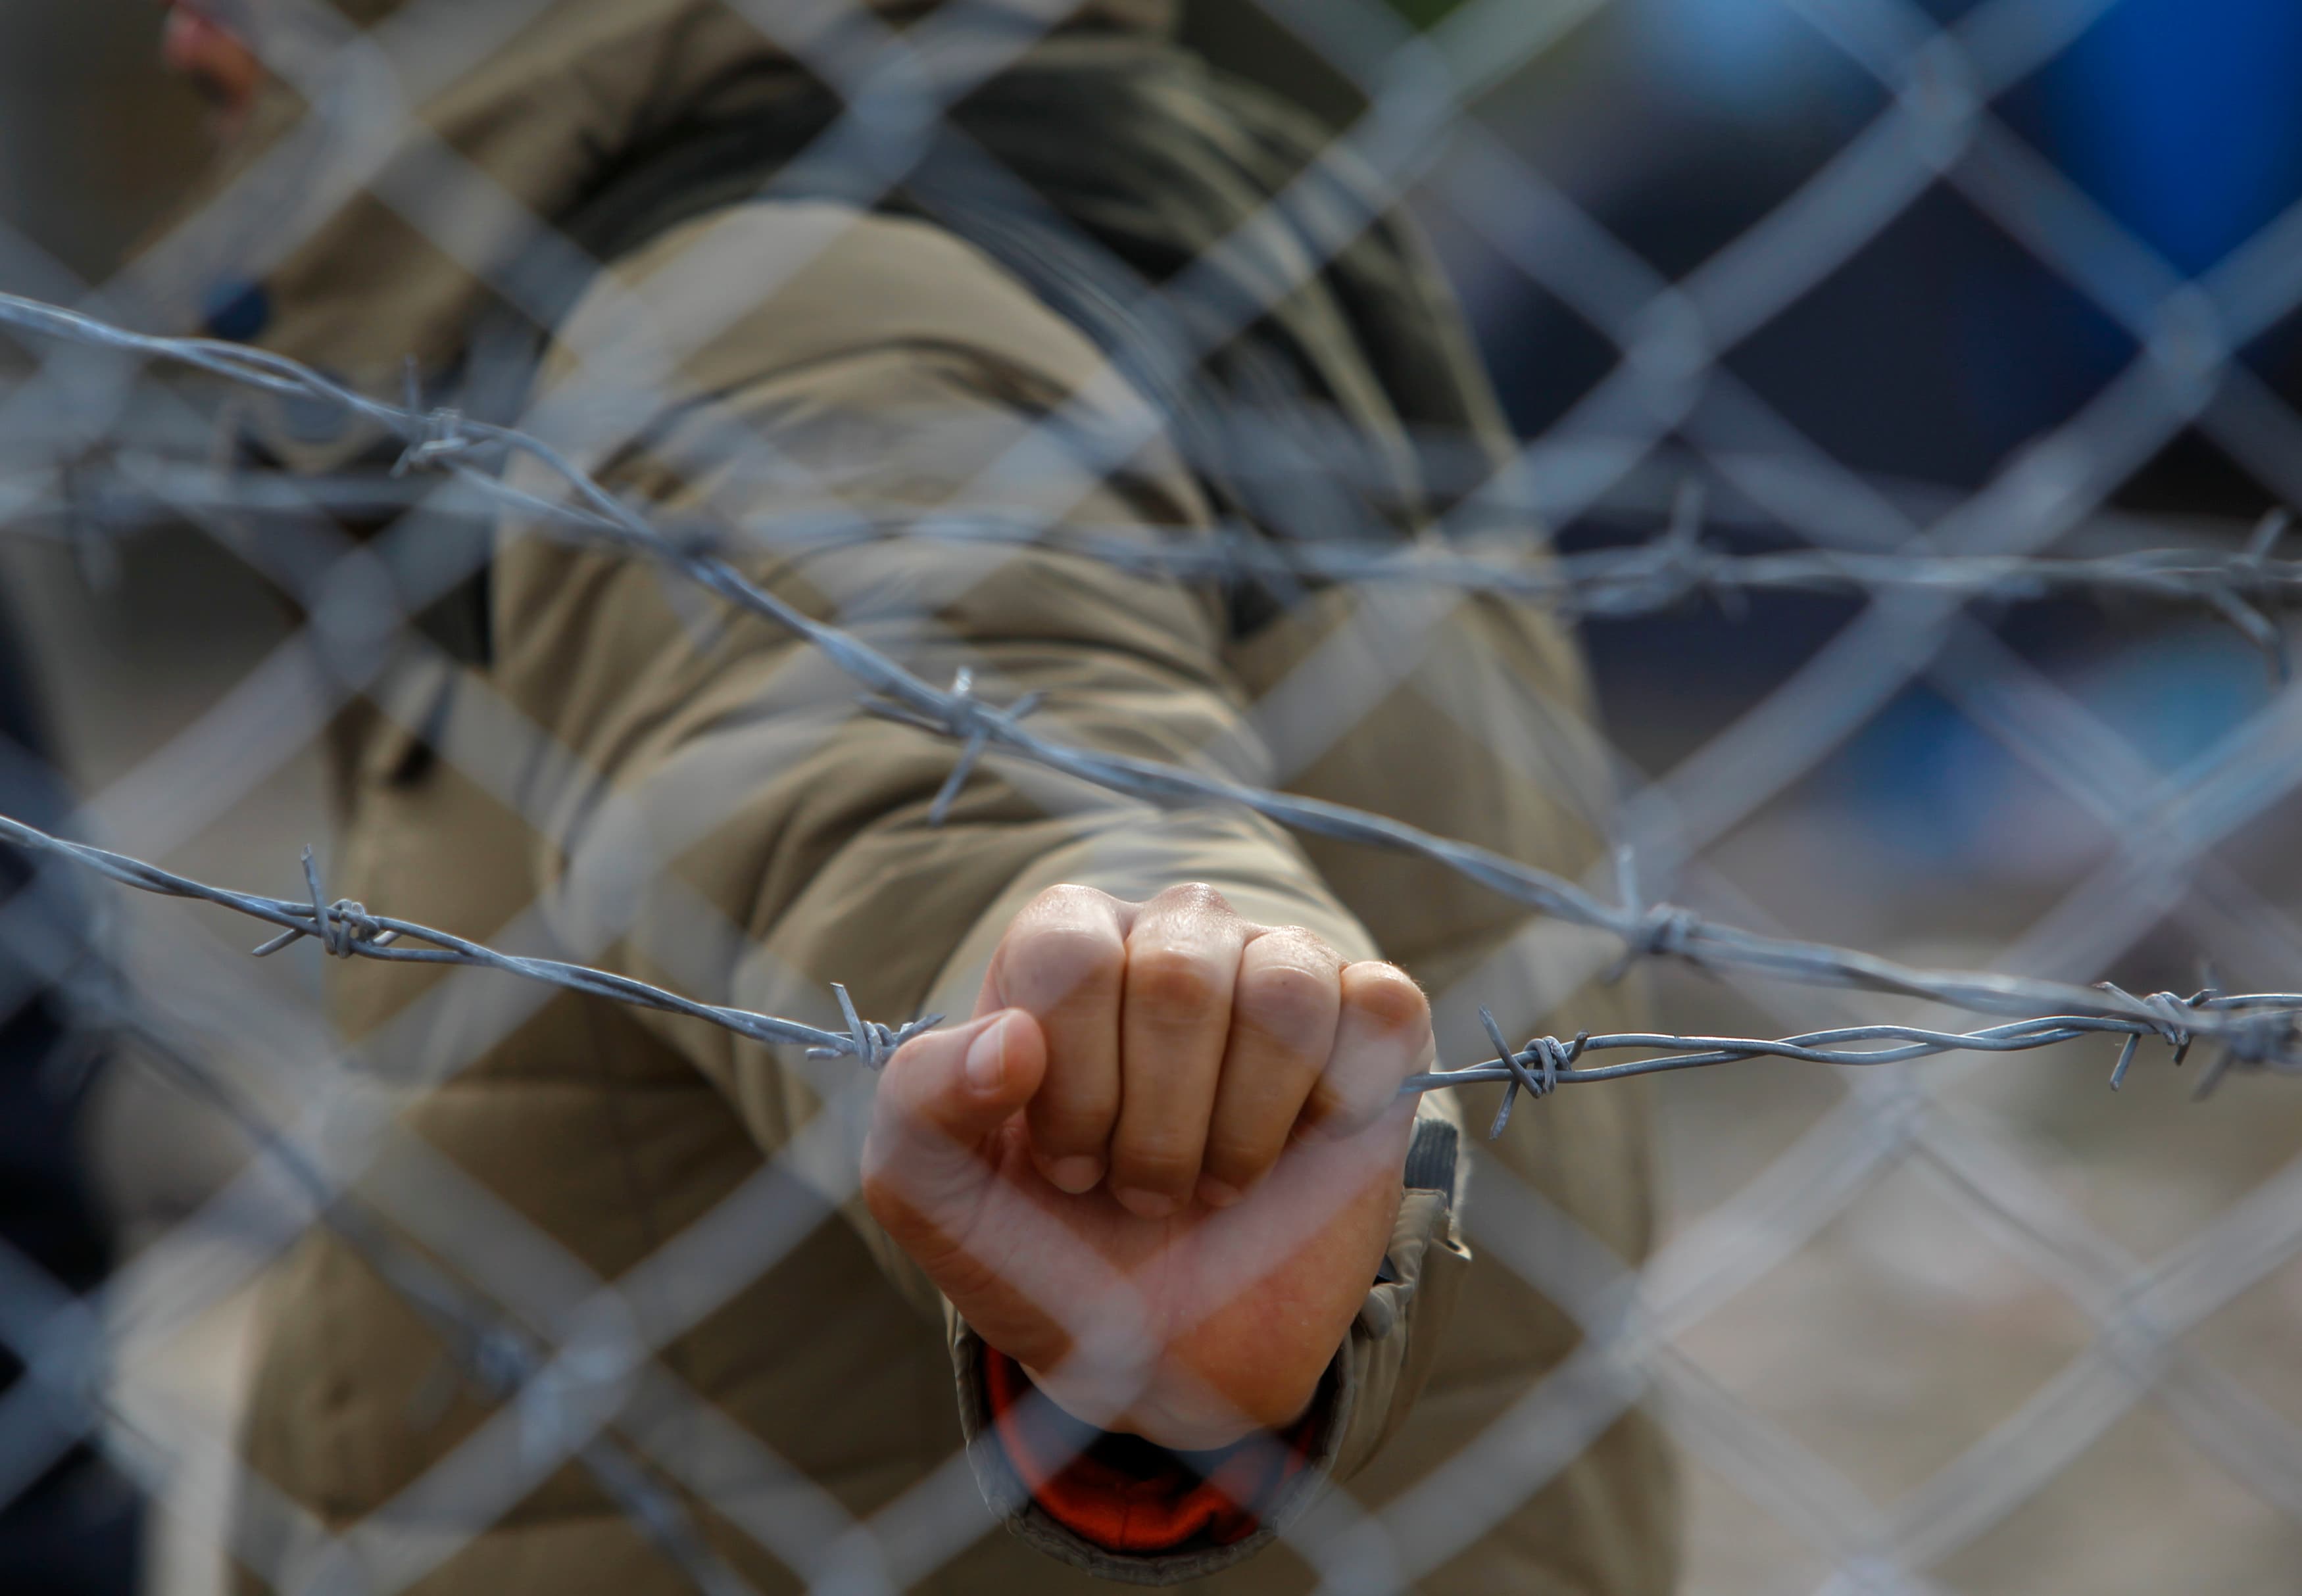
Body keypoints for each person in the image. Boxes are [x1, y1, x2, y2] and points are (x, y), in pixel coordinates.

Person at [162, 1, 1673, 1589]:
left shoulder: (779, 297)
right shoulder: (1132, 173)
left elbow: (936, 756)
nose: (184, 28)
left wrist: (1146, 1075)